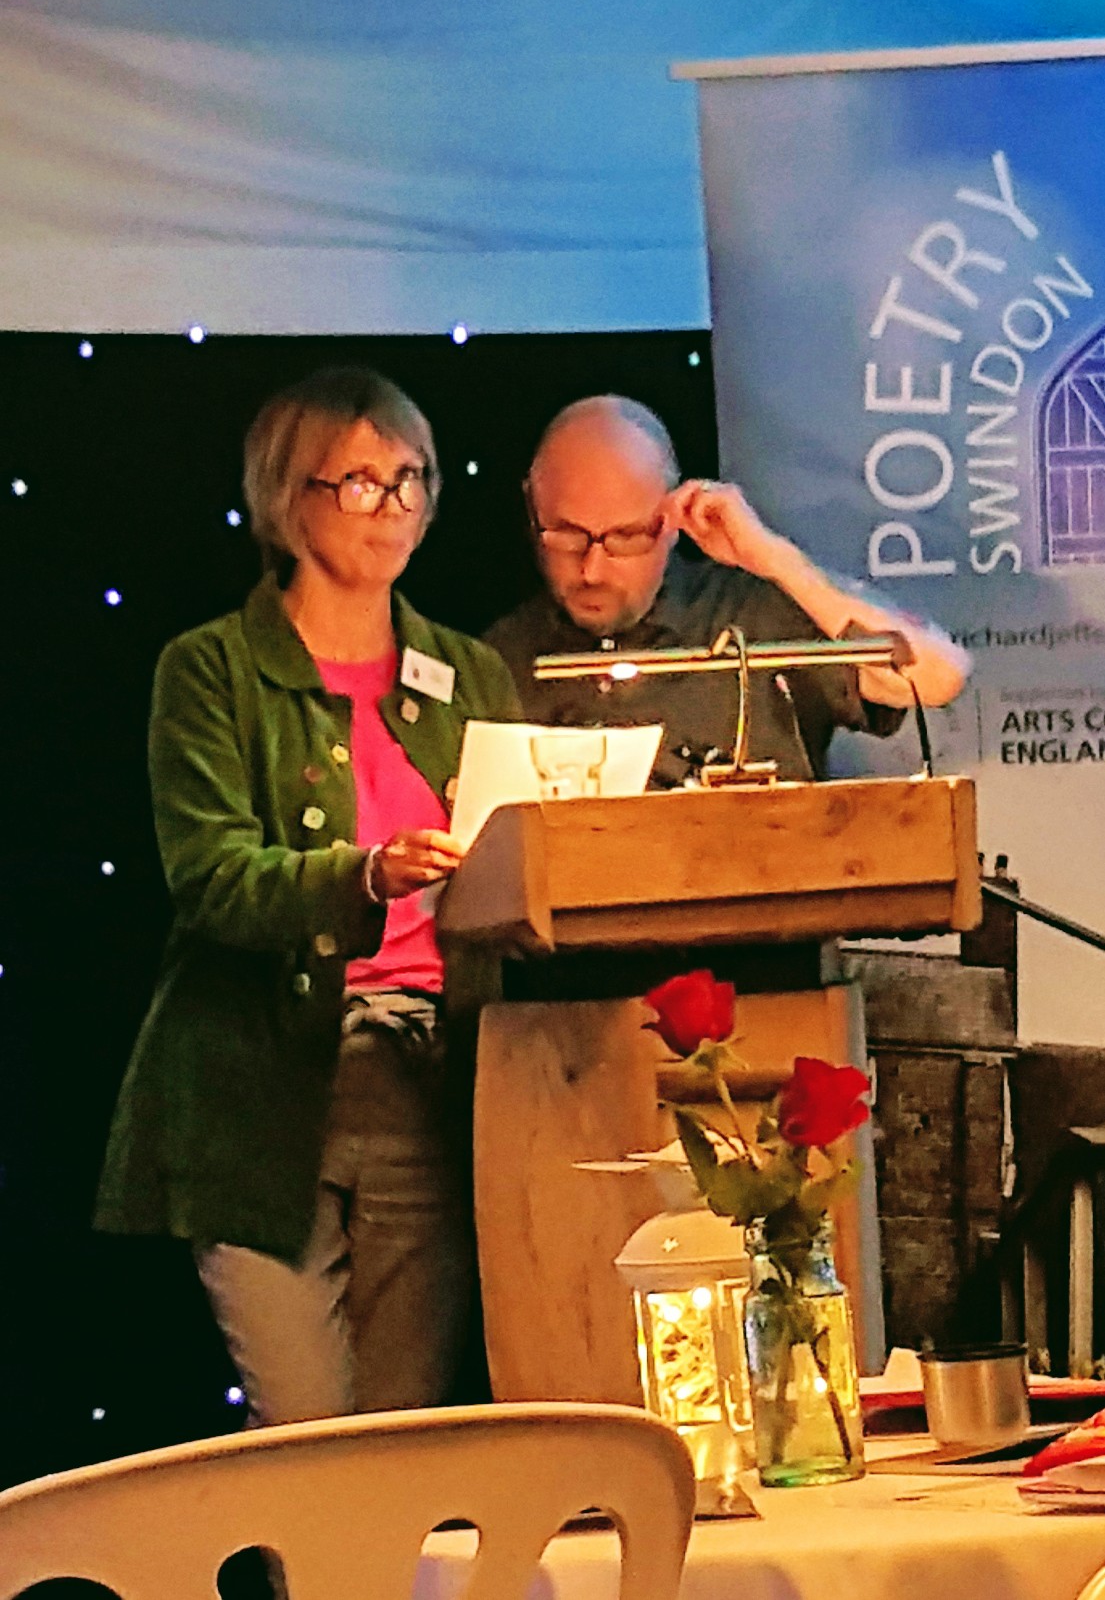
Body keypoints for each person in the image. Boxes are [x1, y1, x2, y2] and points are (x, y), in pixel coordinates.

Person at [95, 365, 520, 1426]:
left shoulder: (468, 672)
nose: (394, 506)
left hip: (429, 1086)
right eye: (361, 482)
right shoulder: (211, 669)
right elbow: (212, 878)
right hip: (264, 1092)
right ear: (288, 499)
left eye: (412, 479)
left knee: (400, 1437)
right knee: (305, 1433)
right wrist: (363, 875)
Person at [486, 396, 969, 788]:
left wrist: (775, 558)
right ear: (532, 508)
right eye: (566, 535)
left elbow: (938, 676)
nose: (592, 568)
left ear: (671, 520)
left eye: (626, 537)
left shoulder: (756, 617)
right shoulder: (498, 662)